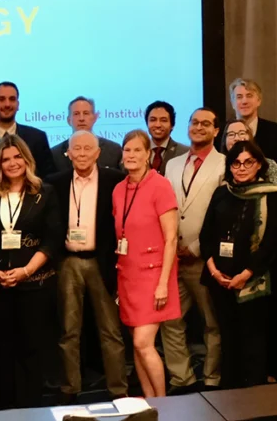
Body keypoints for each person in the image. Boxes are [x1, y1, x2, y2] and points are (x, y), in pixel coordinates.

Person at [0, 140, 61, 407]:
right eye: (5, 159)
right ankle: (3, 409)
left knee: (31, 351)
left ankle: (31, 409)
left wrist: (25, 271)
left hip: (34, 285)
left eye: (17, 157)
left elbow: (52, 239)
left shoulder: (44, 192)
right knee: (1, 351)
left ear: (27, 160)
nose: (12, 163)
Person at [47, 132, 129, 398]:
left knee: (111, 331)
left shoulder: (115, 180)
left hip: (101, 261)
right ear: (67, 153)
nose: (81, 153)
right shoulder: (55, 183)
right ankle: (70, 389)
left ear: (98, 153)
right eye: (76, 148)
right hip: (68, 263)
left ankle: (119, 390)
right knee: (68, 331)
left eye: (87, 148)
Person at [197, 140, 277, 387]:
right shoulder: (222, 192)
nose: (241, 168)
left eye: (248, 162)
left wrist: (246, 274)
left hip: (254, 282)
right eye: (236, 163)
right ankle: (229, 397)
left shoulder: (271, 195)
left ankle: (254, 399)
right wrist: (213, 271)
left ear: (259, 165)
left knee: (253, 342)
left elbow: (272, 242)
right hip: (219, 280)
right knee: (228, 339)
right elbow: (206, 235)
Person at [114, 130, 181, 398]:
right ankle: (149, 403)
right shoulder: (119, 189)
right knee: (137, 345)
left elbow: (171, 238)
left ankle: (164, 404)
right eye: (127, 150)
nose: (131, 155)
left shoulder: (160, 185)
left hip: (155, 277)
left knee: (144, 342)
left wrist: (164, 283)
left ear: (148, 155)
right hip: (128, 276)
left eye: (137, 150)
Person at [160, 107, 222, 390]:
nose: (199, 127)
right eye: (194, 122)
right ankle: (181, 377)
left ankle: (212, 378)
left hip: (204, 257)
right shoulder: (172, 164)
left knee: (212, 323)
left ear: (216, 131)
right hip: (172, 257)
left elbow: (221, 213)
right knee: (170, 322)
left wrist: (197, 247)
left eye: (205, 124)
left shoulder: (223, 164)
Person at [0, 82, 61, 176]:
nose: (7, 104)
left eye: (12, 99)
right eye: (2, 99)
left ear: (18, 104)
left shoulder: (37, 138)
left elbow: (49, 178)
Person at [228, 78, 277, 156]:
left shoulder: (276, 132)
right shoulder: (221, 133)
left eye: (249, 96)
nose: (244, 101)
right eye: (239, 97)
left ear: (259, 101)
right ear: (232, 103)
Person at [68, 97, 126, 169]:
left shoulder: (114, 150)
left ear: (95, 118)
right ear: (68, 120)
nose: (81, 118)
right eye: (76, 114)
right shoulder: (55, 154)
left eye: (86, 113)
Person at [145, 101, 191, 170]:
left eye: (163, 120)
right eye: (153, 120)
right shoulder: (138, 151)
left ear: (172, 125)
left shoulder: (185, 152)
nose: (158, 125)